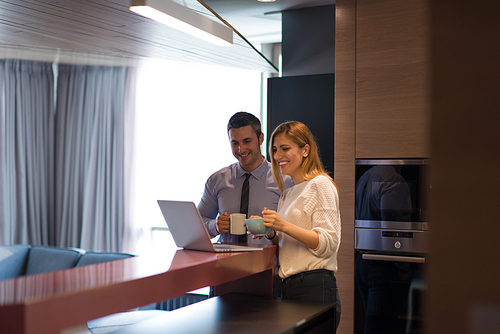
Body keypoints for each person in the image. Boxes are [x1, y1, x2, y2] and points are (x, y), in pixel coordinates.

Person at [249, 121, 342, 330]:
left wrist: (283, 225)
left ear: (305, 150)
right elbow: (287, 241)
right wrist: (271, 231)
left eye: (285, 148)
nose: (277, 156)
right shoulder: (289, 192)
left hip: (313, 286)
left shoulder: (321, 184)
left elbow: (328, 243)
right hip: (288, 287)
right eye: (274, 150)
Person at [197, 112, 294, 246]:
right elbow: (198, 222)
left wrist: (271, 230)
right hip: (225, 264)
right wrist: (215, 226)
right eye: (235, 143)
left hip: (269, 264)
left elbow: (296, 228)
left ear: (261, 139)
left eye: (247, 141)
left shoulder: (286, 180)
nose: (241, 149)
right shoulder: (216, 180)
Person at [355, 165, 413, 334]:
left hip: (362, 262)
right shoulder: (393, 179)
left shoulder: (366, 175)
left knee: (374, 326)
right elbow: (393, 231)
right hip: (385, 266)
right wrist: (404, 267)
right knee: (380, 329)